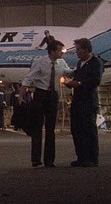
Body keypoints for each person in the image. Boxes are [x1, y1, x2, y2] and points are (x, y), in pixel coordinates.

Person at [18, 39, 72, 168]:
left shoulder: (61, 62)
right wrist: (21, 95)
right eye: (59, 50)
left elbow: (68, 72)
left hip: (53, 94)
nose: (62, 53)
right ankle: (36, 158)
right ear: (52, 51)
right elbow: (28, 78)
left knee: (50, 128)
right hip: (41, 94)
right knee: (37, 127)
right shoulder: (40, 62)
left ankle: (49, 160)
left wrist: (81, 69)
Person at [65, 37, 104, 167]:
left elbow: (96, 80)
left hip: (88, 101)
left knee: (88, 129)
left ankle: (92, 158)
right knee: (77, 129)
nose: (77, 52)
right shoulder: (79, 63)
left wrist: (80, 83)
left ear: (87, 49)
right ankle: (81, 156)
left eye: (78, 50)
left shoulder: (95, 62)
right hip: (77, 100)